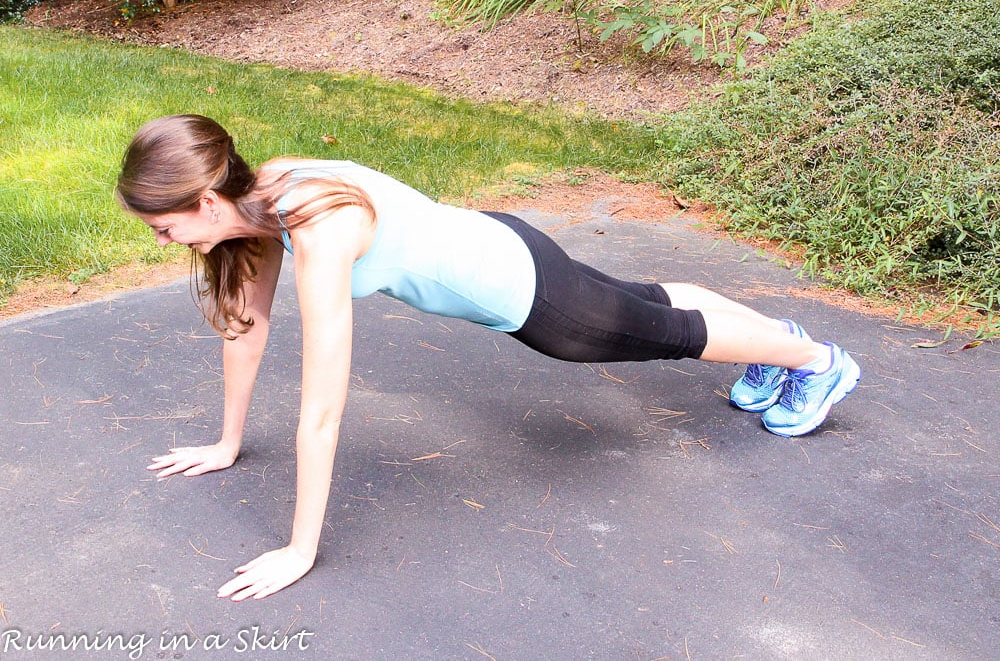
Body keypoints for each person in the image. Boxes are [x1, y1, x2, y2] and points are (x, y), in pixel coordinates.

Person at [116, 114, 861, 602]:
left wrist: (300, 547)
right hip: (504, 241)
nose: (162, 242)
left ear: (207, 202)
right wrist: (226, 442)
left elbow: (322, 406)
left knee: (666, 333)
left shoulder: (318, 231)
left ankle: (815, 359)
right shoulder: (271, 186)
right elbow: (247, 326)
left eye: (162, 227)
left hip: (534, 301)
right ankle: (778, 340)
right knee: (647, 299)